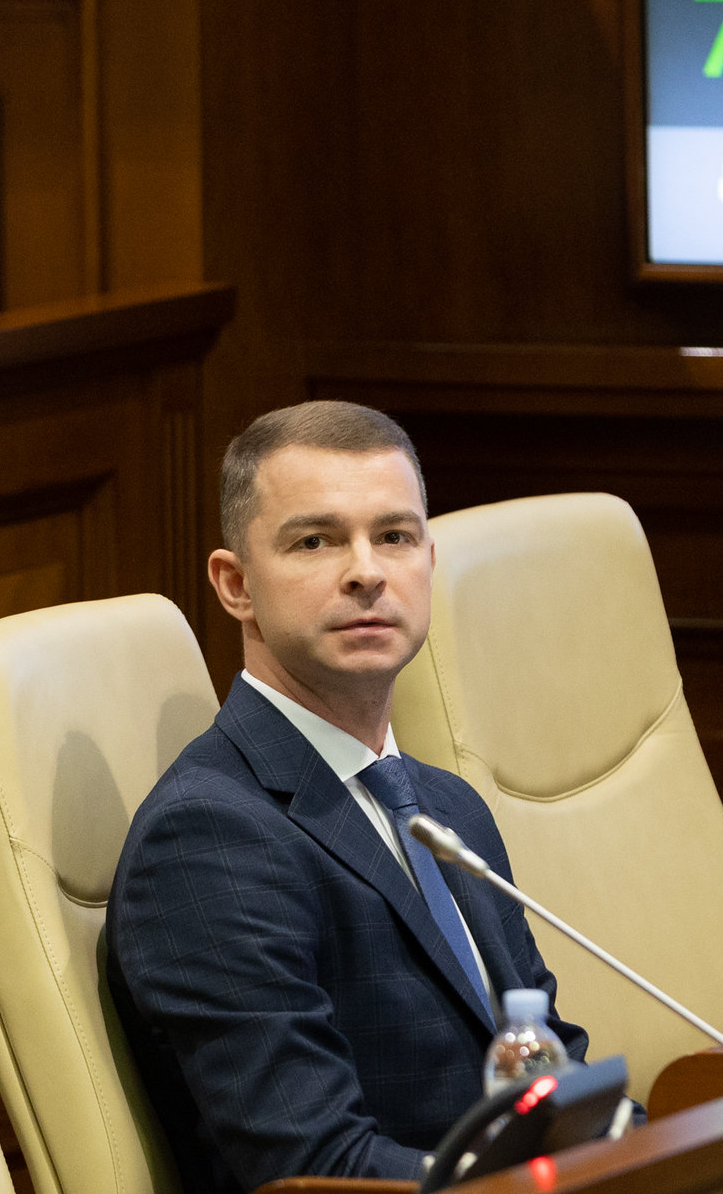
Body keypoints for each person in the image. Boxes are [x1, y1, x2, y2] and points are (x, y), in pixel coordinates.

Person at [106, 400, 588, 1191]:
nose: (367, 571)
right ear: (236, 585)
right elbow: (315, 1165)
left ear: (428, 561)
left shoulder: (448, 808)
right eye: (316, 541)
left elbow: (553, 1070)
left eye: (393, 536)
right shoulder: (208, 837)